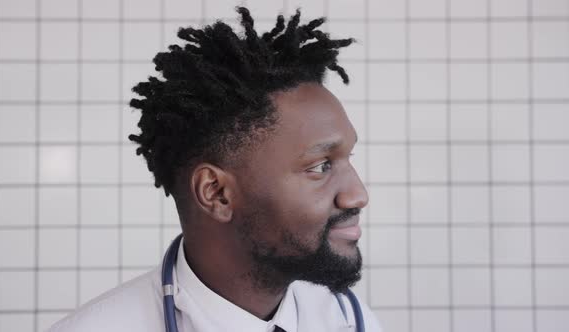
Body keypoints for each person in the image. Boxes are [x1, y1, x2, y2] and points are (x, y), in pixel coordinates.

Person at [49, 6, 383, 332]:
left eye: (347, 158)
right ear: (217, 193)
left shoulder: (351, 319)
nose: (358, 195)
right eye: (321, 166)